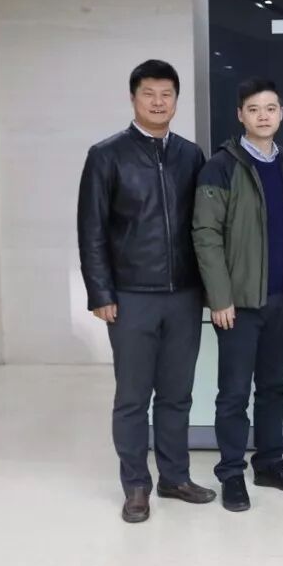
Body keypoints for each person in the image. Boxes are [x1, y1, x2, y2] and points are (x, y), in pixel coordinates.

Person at [77, 59, 213, 523]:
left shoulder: (191, 155)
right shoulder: (107, 155)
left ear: (176, 100)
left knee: (177, 394)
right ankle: (136, 485)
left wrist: (210, 288)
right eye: (149, 94)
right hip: (131, 295)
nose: (158, 102)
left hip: (184, 295)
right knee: (133, 397)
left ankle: (175, 477)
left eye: (166, 94)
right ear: (133, 98)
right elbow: (92, 229)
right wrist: (101, 292)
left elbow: (203, 227)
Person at [192, 78, 283, 512]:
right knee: (234, 394)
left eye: (271, 108)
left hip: (281, 298)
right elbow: (205, 234)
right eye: (254, 109)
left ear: (281, 114)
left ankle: (270, 463)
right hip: (238, 304)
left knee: (274, 388)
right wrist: (219, 297)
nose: (263, 116)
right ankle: (231, 473)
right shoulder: (221, 167)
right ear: (240, 115)